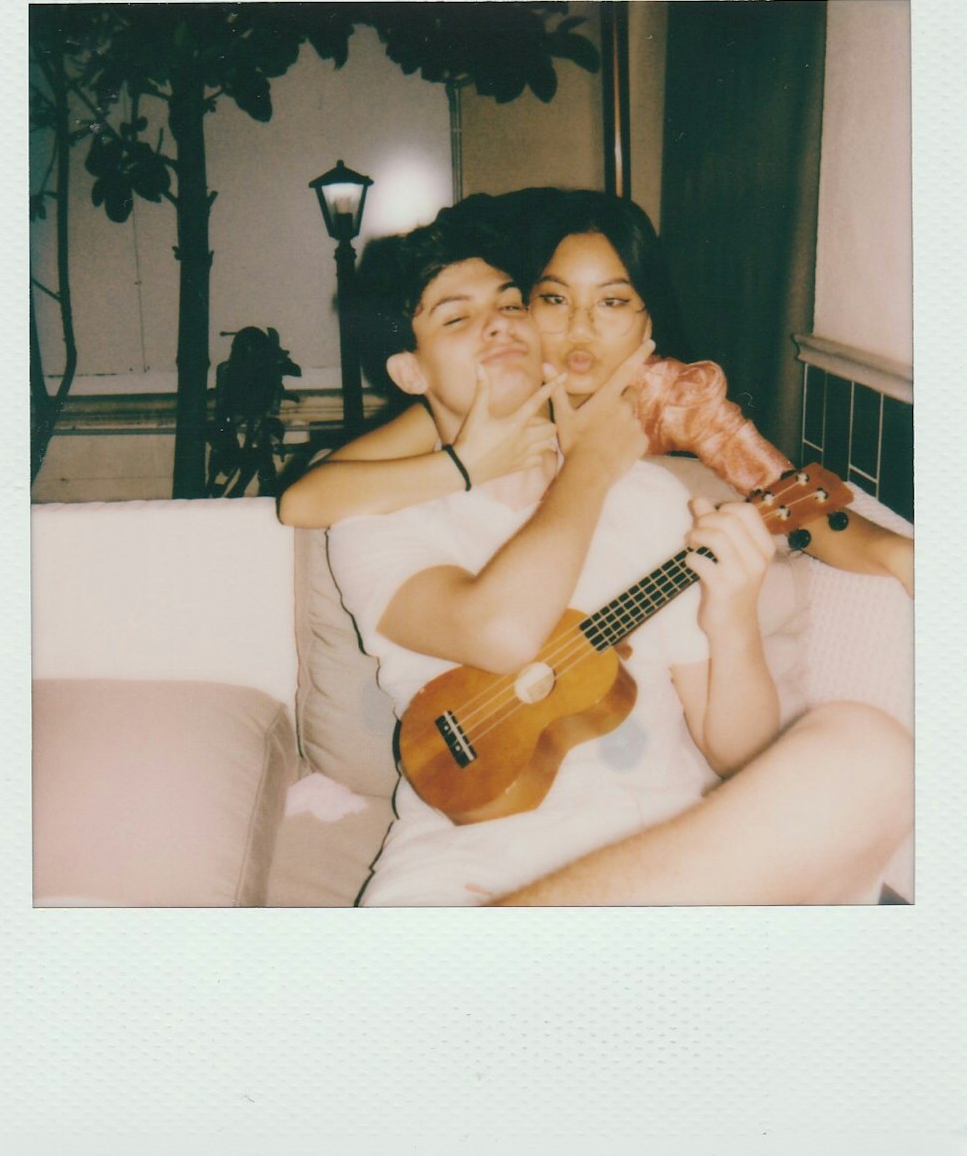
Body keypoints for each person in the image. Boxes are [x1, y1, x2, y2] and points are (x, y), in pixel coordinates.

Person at [324, 212, 911, 906]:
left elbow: (740, 755)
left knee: (867, 752)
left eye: (511, 305)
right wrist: (593, 466)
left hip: (673, 856)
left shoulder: (654, 499)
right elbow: (504, 631)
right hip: (472, 870)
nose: (500, 327)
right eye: (459, 319)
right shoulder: (376, 513)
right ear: (409, 370)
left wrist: (733, 617)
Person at [279, 188, 913, 596]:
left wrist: (902, 556)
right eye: (553, 299)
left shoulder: (670, 395)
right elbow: (306, 499)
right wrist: (465, 468)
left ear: (648, 317)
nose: (580, 328)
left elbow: (794, 501)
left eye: (612, 302)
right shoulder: (499, 396)